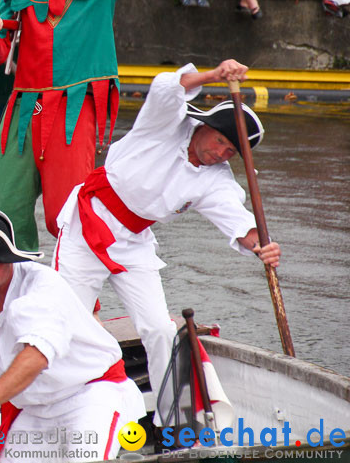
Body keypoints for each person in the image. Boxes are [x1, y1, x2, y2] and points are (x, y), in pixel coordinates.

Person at [0, 0, 253, 251]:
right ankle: (16, 297)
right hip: (24, 111)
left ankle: (78, 301)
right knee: (5, 210)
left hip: (73, 111)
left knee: (69, 213)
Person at [53, 59, 280, 423]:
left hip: (135, 241)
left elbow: (239, 222)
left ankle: (170, 421)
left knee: (159, 328)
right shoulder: (167, 123)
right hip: (86, 223)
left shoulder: (216, 179)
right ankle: (65, 405)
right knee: (68, 321)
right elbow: (165, 86)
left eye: (230, 153)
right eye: (220, 141)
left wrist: (262, 246)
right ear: (205, 128)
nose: (220, 154)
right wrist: (214, 76)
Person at [0, 210, 145, 462]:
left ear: (9, 258)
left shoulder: (43, 287)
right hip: (34, 408)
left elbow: (36, 356)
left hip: (91, 394)